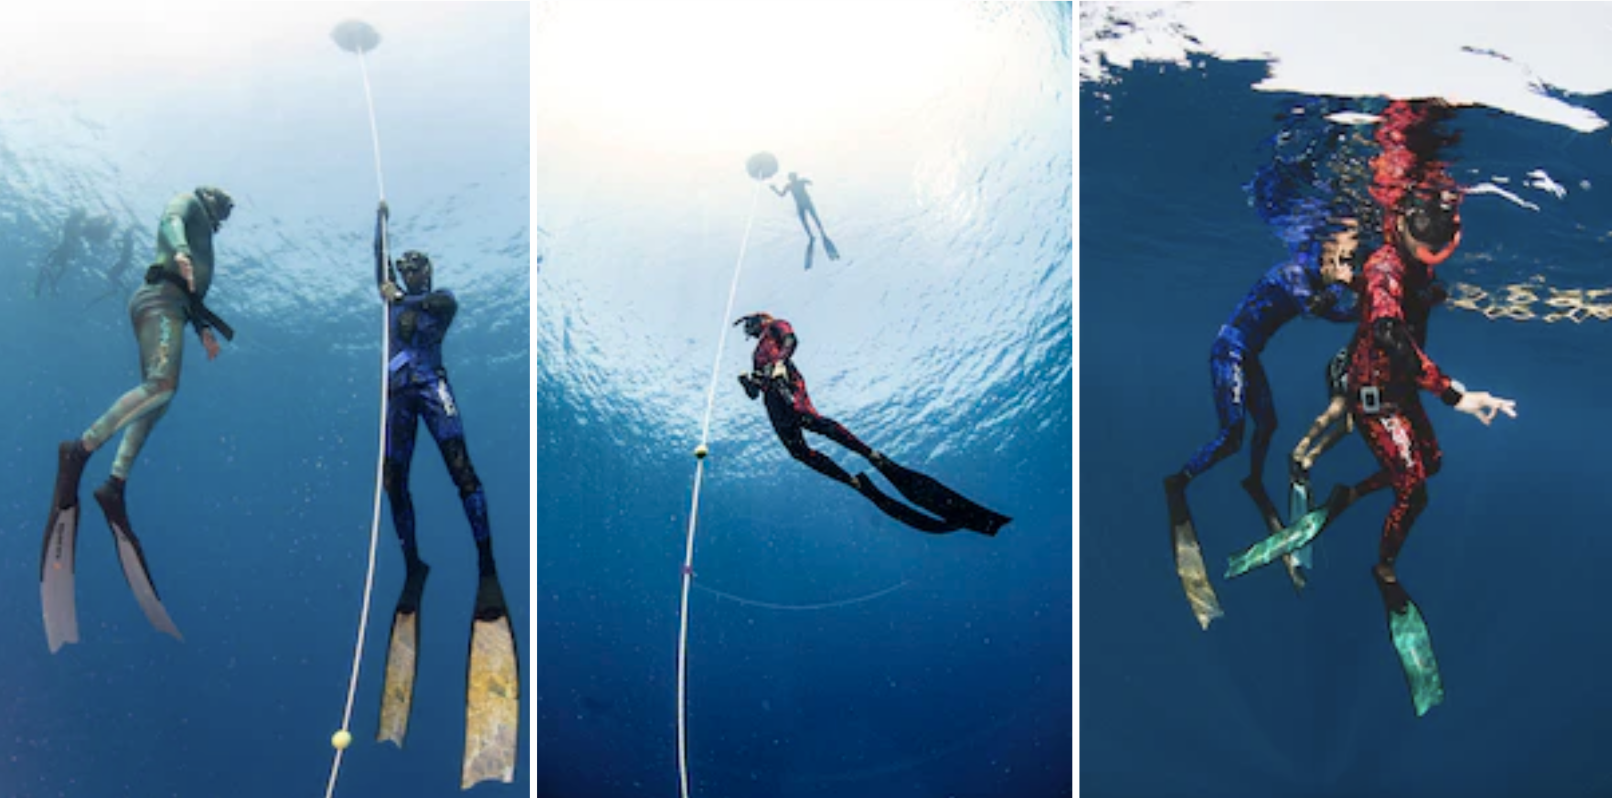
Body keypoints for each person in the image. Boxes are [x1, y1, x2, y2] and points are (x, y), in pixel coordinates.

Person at [1224, 100, 1517, 717]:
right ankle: (1384, 571)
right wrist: (1457, 394)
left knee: (1429, 466)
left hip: (1396, 388)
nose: (1434, 254)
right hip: (1377, 393)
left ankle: (1344, 500)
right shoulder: (1384, 266)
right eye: (1428, 248)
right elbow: (1387, 333)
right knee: (1414, 485)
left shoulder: (1407, 255)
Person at [40, 186, 237, 653]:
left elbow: (193, 295)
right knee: (162, 385)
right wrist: (184, 251)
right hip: (158, 301)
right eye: (223, 210)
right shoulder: (189, 206)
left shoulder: (206, 232)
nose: (224, 218)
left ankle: (115, 484)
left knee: (160, 398)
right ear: (212, 202)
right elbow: (170, 220)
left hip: (175, 306)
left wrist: (205, 331)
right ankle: (80, 449)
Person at [371, 200, 518, 748]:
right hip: (398, 398)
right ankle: (414, 563)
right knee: (393, 482)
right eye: (404, 266)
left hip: (432, 389)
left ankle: (487, 566)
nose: (410, 270)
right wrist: (382, 219)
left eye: (418, 265)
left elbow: (427, 308)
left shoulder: (439, 299)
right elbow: (378, 260)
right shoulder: (392, 297)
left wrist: (401, 295)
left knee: (463, 472)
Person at [1163, 217, 1363, 610]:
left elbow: (1335, 313)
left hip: (1248, 355)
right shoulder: (1292, 275)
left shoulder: (1315, 277)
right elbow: (1311, 307)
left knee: (1268, 425)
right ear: (1324, 255)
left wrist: (1367, 305)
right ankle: (1178, 481)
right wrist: (1341, 285)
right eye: (1342, 259)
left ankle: (1253, 480)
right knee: (1233, 436)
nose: (1346, 267)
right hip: (1229, 351)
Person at [735, 312, 1009, 535]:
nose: (749, 330)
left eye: (750, 324)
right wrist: (748, 383)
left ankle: (871, 455)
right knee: (798, 451)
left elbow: (791, 341)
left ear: (761, 319)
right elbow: (754, 393)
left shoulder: (776, 327)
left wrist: (781, 362)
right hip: (773, 403)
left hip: (788, 385)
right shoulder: (756, 353)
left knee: (813, 420)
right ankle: (851, 480)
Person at [771, 171, 839, 265]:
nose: (793, 179)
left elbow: (782, 194)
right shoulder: (795, 183)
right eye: (793, 177)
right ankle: (816, 233)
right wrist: (774, 189)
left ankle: (817, 233)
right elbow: (782, 194)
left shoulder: (794, 184)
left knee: (812, 218)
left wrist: (774, 189)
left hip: (804, 203)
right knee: (808, 219)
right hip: (803, 203)